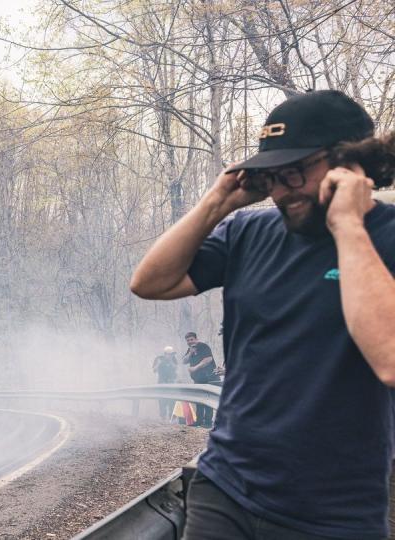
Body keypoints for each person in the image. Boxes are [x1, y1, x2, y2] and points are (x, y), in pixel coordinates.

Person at [130, 90, 395, 539]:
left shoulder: (385, 240)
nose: (280, 191)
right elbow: (150, 282)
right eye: (271, 177)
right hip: (225, 488)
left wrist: (348, 225)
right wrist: (216, 203)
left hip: (333, 513)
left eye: (295, 172)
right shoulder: (246, 232)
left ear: (350, 165)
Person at [181, 331, 219, 428]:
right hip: (198, 379)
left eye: (191, 339)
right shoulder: (190, 350)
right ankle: (199, 421)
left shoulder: (203, 346)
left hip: (209, 377)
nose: (190, 341)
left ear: (196, 339)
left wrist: (195, 368)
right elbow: (184, 361)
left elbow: (208, 360)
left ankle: (208, 422)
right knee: (199, 400)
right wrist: (190, 353)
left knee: (207, 400)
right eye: (188, 340)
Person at [152, 345, 178, 420]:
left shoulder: (174, 359)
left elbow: (176, 369)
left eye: (172, 354)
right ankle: (163, 417)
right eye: (169, 354)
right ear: (165, 354)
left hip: (172, 383)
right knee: (162, 401)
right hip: (161, 383)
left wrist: (171, 361)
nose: (170, 356)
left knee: (172, 401)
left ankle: (172, 418)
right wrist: (159, 363)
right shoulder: (158, 359)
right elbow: (154, 370)